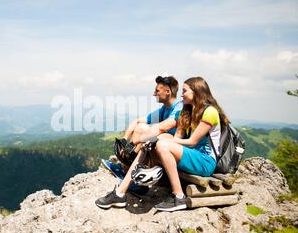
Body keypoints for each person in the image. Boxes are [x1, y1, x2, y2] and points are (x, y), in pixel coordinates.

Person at [96, 76, 229, 212]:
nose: (181, 95)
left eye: (184, 91)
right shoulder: (186, 111)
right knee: (150, 144)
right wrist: (151, 141)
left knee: (159, 143)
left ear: (196, 92)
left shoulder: (210, 112)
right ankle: (120, 193)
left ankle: (179, 197)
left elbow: (192, 141)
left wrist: (160, 140)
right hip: (190, 156)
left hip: (205, 161)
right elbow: (178, 137)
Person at [97, 75, 183, 206]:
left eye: (157, 90)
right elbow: (137, 121)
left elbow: (163, 127)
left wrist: (135, 142)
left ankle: (128, 174)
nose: (154, 93)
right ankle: (127, 170)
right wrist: (125, 140)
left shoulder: (179, 107)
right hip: (163, 148)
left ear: (168, 91)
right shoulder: (164, 109)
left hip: (175, 151)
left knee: (150, 134)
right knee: (142, 127)